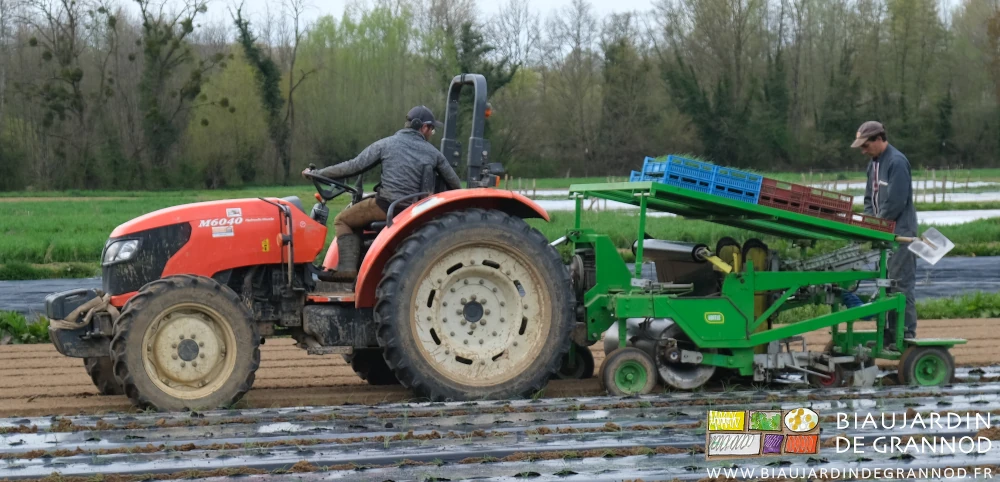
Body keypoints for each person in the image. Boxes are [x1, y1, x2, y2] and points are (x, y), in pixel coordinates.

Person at [304, 105, 464, 281]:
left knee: (343, 220)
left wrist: (318, 173)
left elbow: (353, 166)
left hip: (386, 206)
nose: (431, 134)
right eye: (432, 129)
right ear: (423, 127)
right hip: (415, 212)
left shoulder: (385, 144)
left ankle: (347, 269)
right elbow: (455, 185)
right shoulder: (434, 154)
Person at [852, 121, 918, 350]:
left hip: (901, 234)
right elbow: (870, 198)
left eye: (866, 145)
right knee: (886, 286)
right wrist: (870, 223)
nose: (863, 150)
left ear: (879, 139)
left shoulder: (897, 162)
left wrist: (879, 225)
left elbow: (896, 202)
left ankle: (906, 334)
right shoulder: (874, 164)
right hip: (884, 233)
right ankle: (889, 335)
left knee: (900, 285)